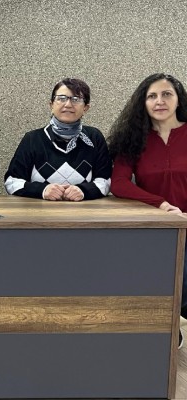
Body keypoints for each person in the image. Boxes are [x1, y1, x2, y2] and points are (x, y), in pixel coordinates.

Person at [107, 73, 187, 346]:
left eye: (167, 94)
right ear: (143, 102)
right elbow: (119, 183)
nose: (159, 101)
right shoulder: (133, 139)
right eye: (152, 96)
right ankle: (166, 325)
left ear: (179, 99)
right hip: (156, 227)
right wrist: (161, 205)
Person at [4, 78, 111, 201]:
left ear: (86, 108)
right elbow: (12, 181)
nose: (68, 104)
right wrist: (42, 190)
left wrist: (84, 191)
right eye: (61, 98)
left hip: (83, 211)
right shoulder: (33, 139)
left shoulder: (94, 137)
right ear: (51, 105)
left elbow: (106, 181)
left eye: (76, 99)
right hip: (39, 210)